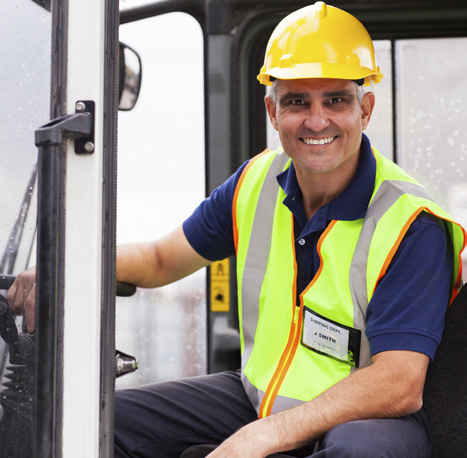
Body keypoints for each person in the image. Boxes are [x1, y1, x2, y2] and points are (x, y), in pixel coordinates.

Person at [7, 2, 465, 457]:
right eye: (297, 102)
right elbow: (161, 259)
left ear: (365, 109)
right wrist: (63, 267)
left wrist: (261, 436)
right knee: (99, 423)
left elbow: (399, 384)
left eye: (336, 100)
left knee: (359, 451)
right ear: (272, 110)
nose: (317, 120)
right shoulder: (255, 182)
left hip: (368, 417)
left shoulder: (412, 223)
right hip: (259, 398)